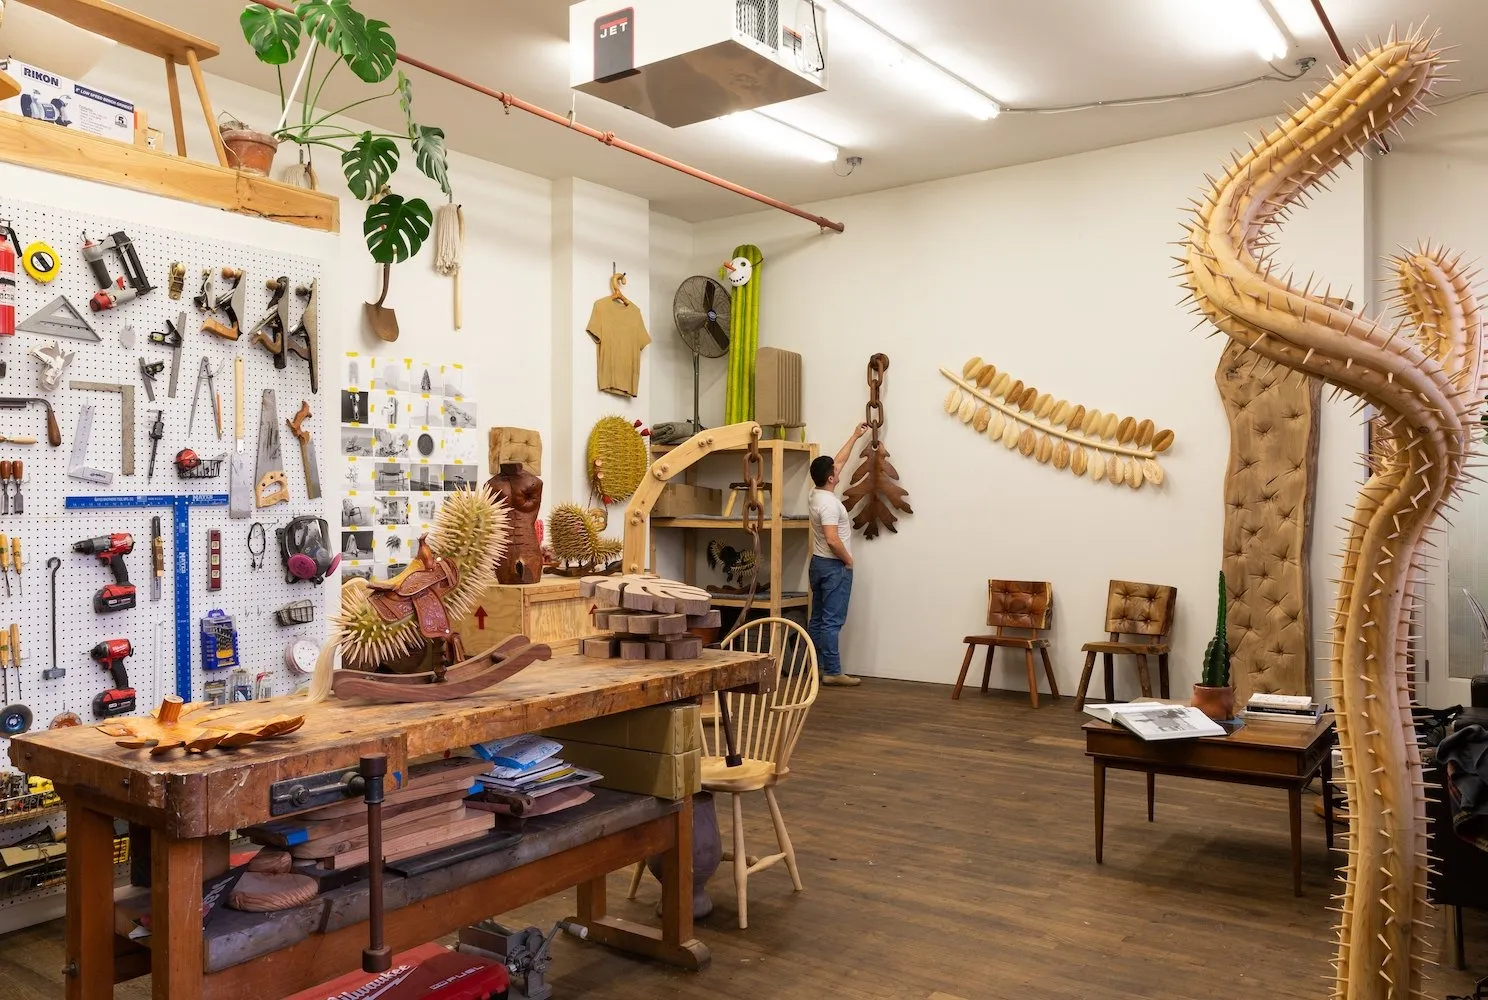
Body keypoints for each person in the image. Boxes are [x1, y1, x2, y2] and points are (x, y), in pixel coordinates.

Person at [807, 423, 868, 686]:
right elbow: (832, 539)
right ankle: (832, 671)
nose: (838, 468)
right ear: (831, 478)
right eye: (834, 470)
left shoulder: (816, 494)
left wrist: (855, 435)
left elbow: (839, 460)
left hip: (818, 564)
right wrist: (848, 560)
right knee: (831, 622)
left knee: (818, 619)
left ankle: (816, 667)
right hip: (833, 567)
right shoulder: (830, 505)